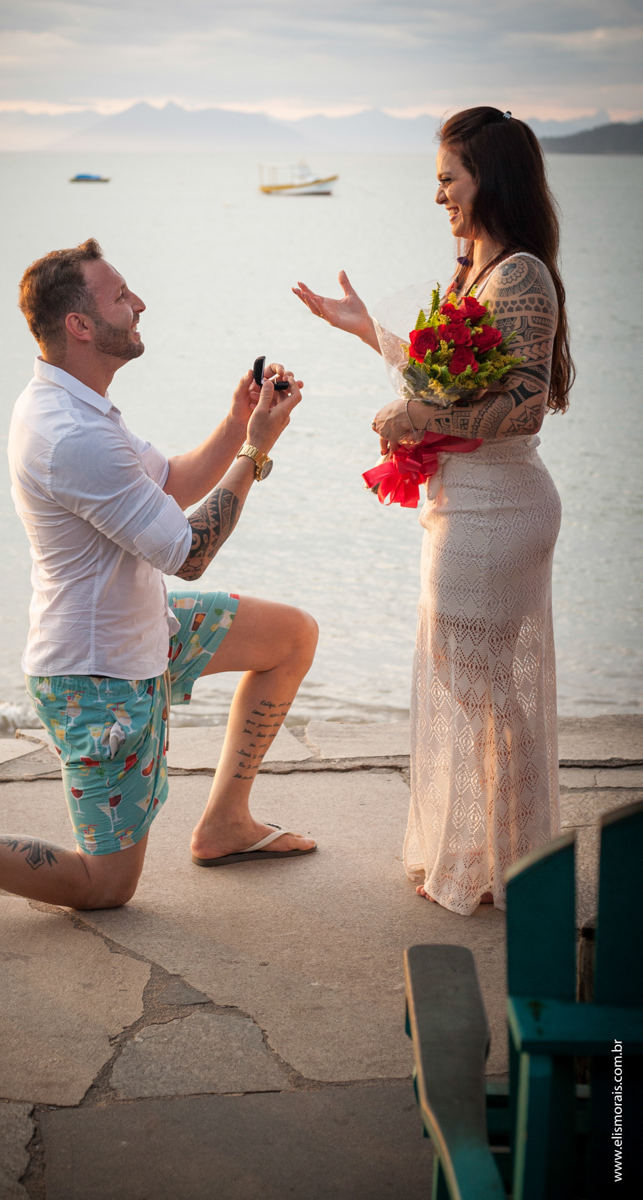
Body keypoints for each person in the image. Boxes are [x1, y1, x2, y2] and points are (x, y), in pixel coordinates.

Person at [0, 238, 318, 914]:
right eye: (121, 295)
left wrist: (238, 420)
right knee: (105, 887)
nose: (139, 303)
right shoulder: (72, 435)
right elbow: (189, 553)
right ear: (81, 325)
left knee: (291, 636)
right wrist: (256, 451)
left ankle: (225, 823)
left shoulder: (79, 407)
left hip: (146, 630)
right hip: (98, 677)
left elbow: (174, 482)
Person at [293, 108, 573, 915]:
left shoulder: (520, 275)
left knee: (485, 691)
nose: (440, 193)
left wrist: (418, 421)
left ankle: (516, 868)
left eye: (449, 176)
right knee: (473, 685)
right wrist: (367, 332)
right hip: (467, 504)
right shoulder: (475, 271)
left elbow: (520, 409)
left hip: (498, 507)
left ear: (491, 178)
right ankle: (497, 850)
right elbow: (445, 379)